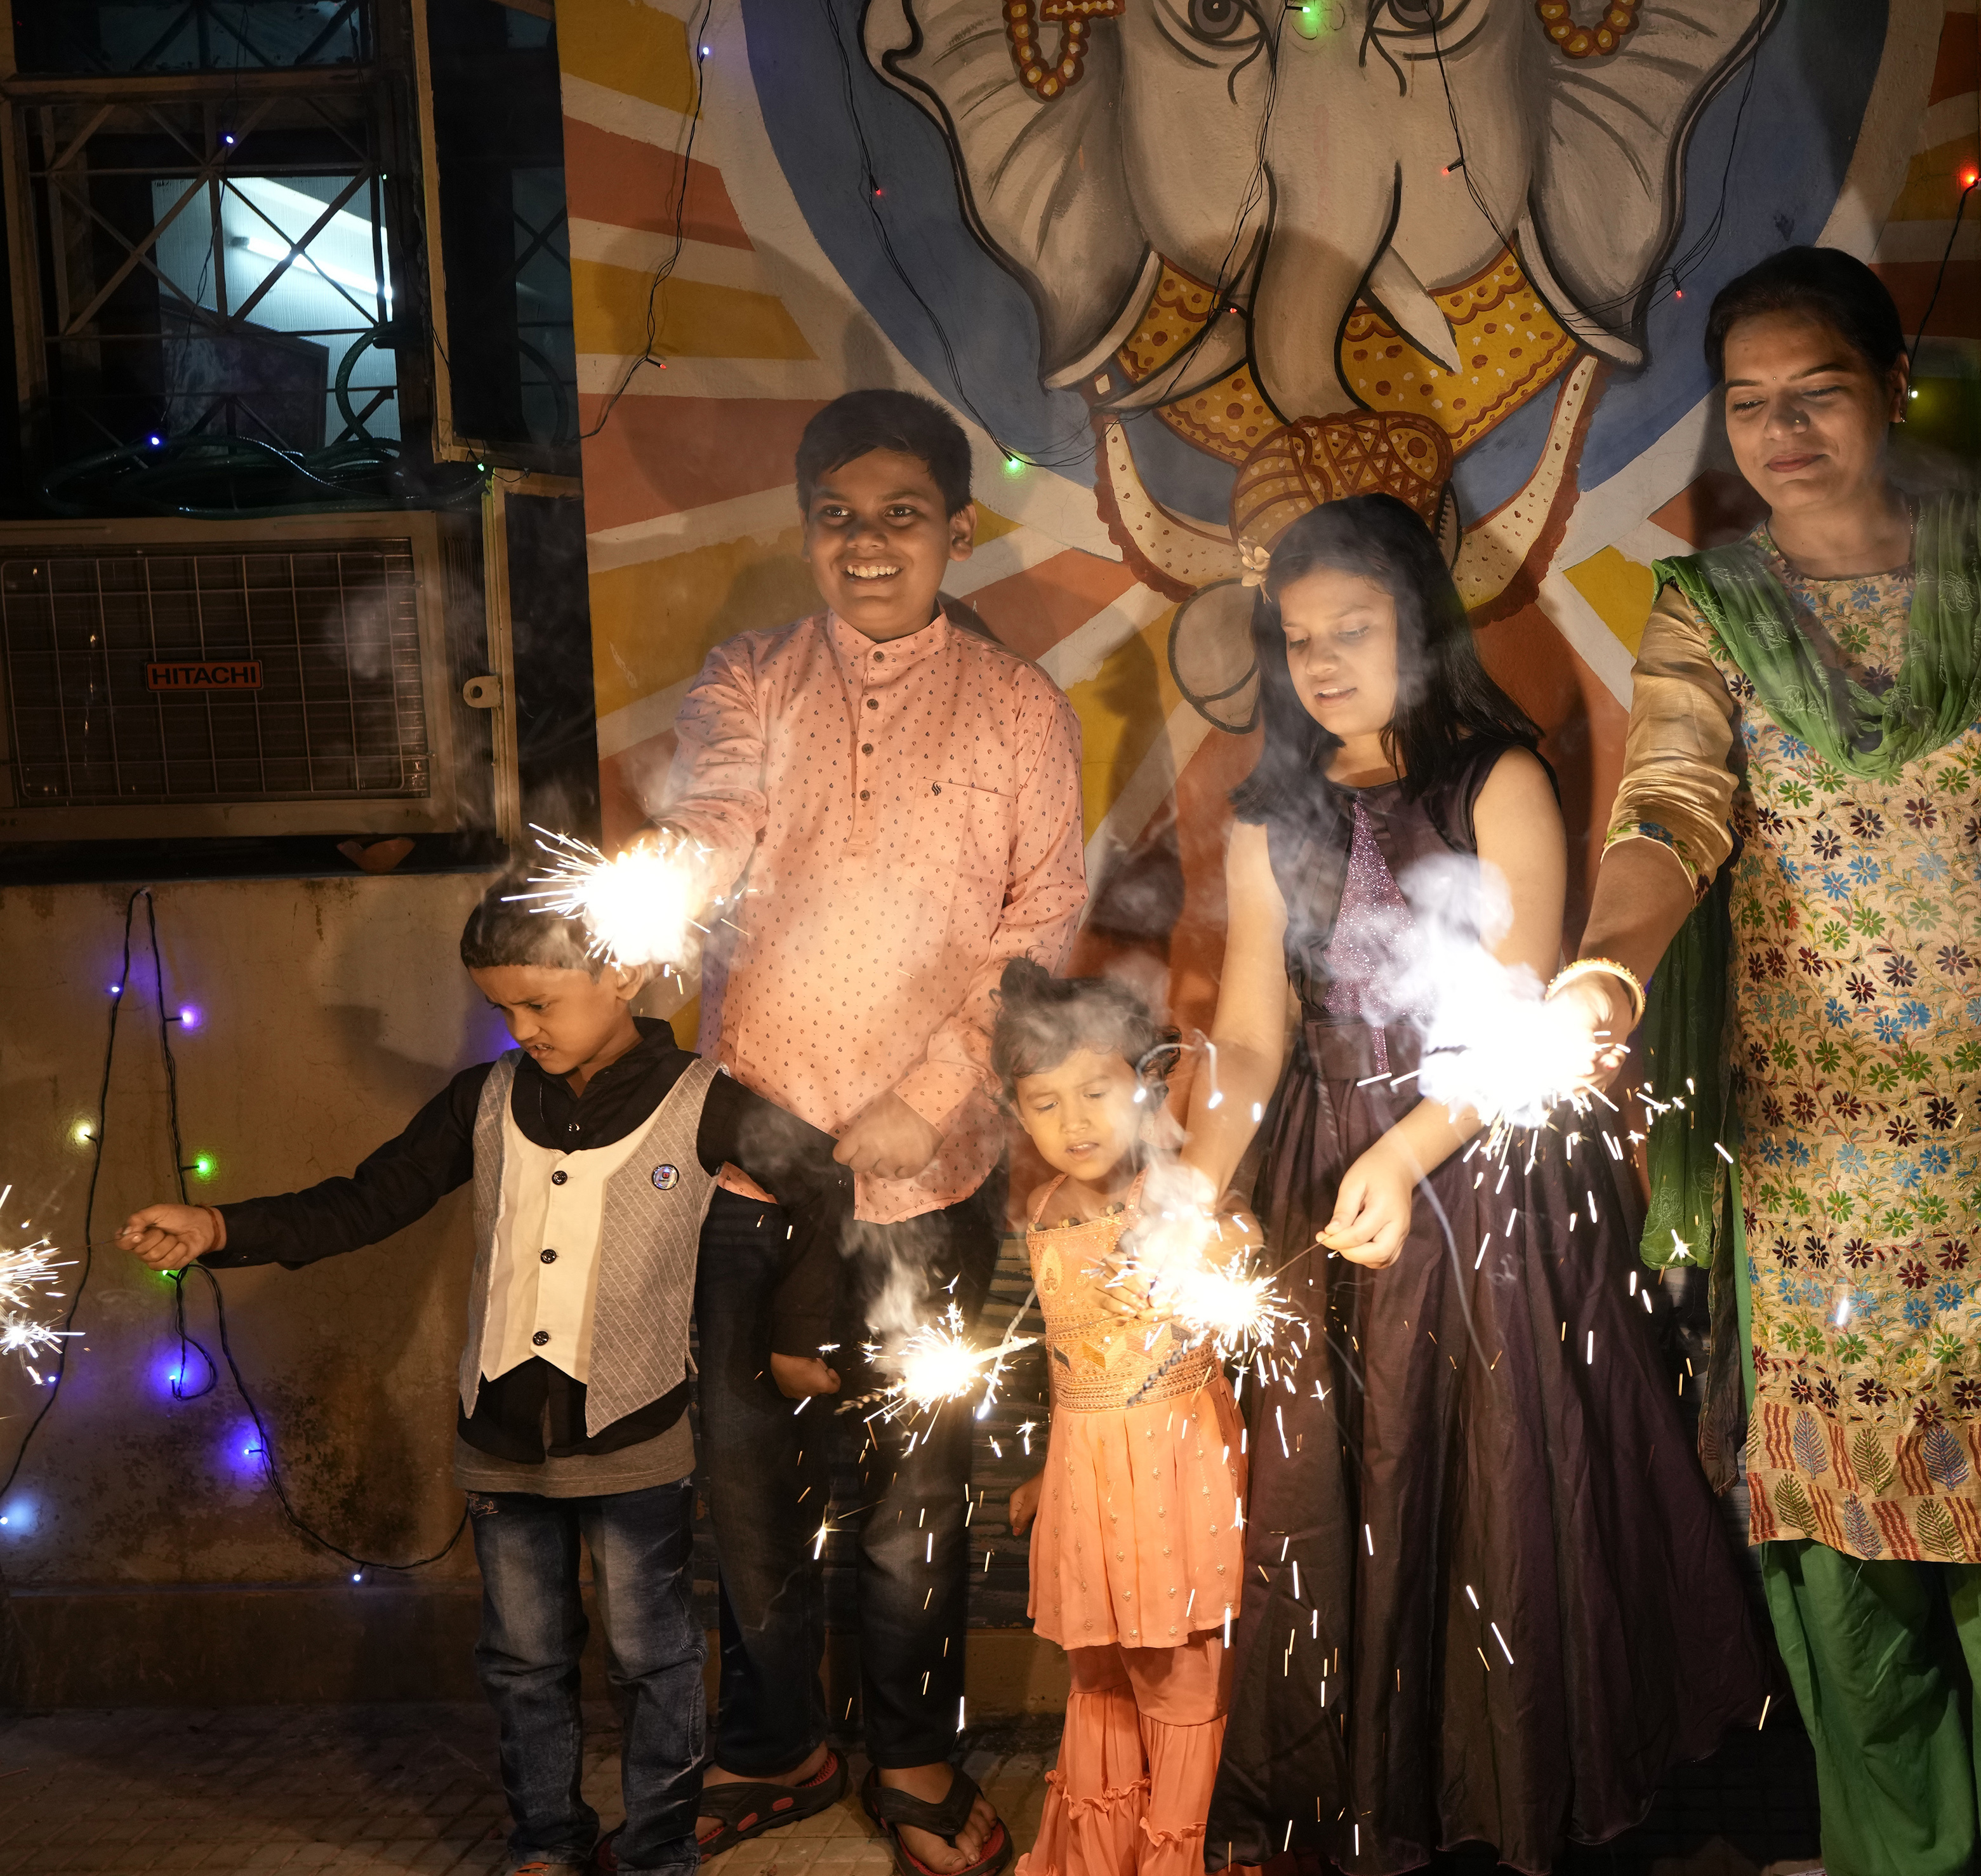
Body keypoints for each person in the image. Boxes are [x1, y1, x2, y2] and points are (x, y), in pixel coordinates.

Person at [1547, 245, 1981, 1874]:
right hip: (1821, 1185)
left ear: (1889, 388)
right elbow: (1669, 813)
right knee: (1847, 1569)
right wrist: (1610, 963)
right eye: (1747, 405)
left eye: (1815, 392)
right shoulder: (1711, 612)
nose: (1781, 431)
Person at [1181, 492, 1765, 1873]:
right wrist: (1188, 1194)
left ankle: (1514, 1798)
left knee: (1502, 1488)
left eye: (1355, 631)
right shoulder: (1271, 811)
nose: (1322, 663)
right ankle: (1369, 1795)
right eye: (1299, 638)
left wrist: (1402, 1149)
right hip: (1328, 1167)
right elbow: (1255, 1032)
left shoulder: (1497, 780)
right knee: (1342, 1491)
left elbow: (1518, 1021)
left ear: (1422, 632)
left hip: (1484, 1179)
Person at [116, 877, 854, 1876]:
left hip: (636, 1442)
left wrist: (799, 1333)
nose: (520, 1027)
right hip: (499, 1441)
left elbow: (823, 1177)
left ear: (623, 973)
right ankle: (545, 1839)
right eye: (501, 1006)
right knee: (521, 1660)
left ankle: (659, 1848)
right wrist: (219, 1227)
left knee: (652, 1658)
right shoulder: (484, 1096)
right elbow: (367, 1200)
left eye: (539, 1004)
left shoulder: (704, 1101)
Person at [639, 389, 1090, 1873]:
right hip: (752, 1152)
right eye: (837, 516)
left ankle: (911, 1757)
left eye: (902, 515)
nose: (867, 543)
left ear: (958, 530)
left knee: (909, 1496)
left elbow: (1040, 926)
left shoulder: (1021, 706)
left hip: (927, 1161)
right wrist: (655, 903)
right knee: (748, 1486)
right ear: (807, 529)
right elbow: (710, 815)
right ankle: (777, 1743)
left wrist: (938, 1085)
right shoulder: (753, 676)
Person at [988, 959, 1247, 1876]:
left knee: (1181, 1676)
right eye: (1044, 1102)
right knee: (1101, 1677)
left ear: (1147, 1082)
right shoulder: (1045, 1211)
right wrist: (1045, 1476)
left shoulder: (1182, 1198)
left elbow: (1240, 1294)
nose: (1074, 1122)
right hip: (1091, 1487)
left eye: (1096, 1090)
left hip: (1183, 1481)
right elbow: (1069, 1372)